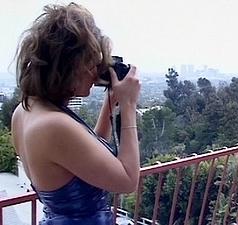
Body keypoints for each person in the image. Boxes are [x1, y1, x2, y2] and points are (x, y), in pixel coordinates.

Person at [11, 3, 141, 225]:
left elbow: (89, 154)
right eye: (91, 62)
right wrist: (128, 107)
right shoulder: (54, 126)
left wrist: (111, 101)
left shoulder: (26, 111)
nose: (96, 72)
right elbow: (128, 181)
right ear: (69, 66)